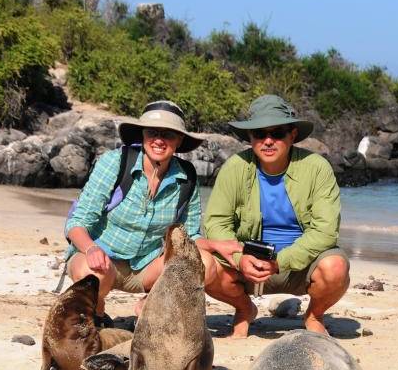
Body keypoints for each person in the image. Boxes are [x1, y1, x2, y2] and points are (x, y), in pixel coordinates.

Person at [65, 100, 241, 323]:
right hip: (101, 259)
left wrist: (216, 245)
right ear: (142, 135)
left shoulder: (186, 177)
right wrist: (91, 249)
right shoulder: (115, 163)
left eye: (168, 134)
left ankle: (152, 308)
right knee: (93, 275)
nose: (159, 140)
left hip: (149, 266)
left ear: (178, 141)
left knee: (204, 264)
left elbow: (188, 238)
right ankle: (97, 308)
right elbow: (77, 223)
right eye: (153, 132)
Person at [202, 95, 350, 338]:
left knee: (335, 267)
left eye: (277, 133)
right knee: (201, 263)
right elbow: (217, 223)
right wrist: (240, 259)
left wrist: (280, 261)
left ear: (292, 135)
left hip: (300, 267)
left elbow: (325, 232)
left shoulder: (317, 167)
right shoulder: (235, 167)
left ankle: (314, 315)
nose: (268, 141)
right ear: (250, 137)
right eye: (260, 134)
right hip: (247, 264)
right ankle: (243, 309)